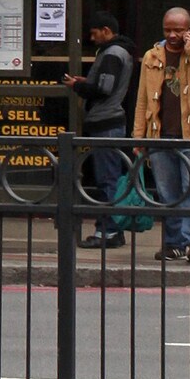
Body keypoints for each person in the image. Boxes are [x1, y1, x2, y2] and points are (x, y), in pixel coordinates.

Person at [133, 4, 190, 265]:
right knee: (167, 193)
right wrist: (138, 137)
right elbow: (142, 99)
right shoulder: (152, 56)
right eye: (167, 30)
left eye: (178, 30)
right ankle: (174, 245)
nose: (172, 35)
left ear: (189, 30)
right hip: (160, 134)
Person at [63, 13, 138, 248]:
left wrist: (78, 86)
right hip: (109, 122)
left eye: (95, 33)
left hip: (106, 123)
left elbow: (104, 89)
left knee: (108, 180)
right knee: (110, 177)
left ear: (106, 30)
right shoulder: (117, 52)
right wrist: (86, 81)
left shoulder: (112, 54)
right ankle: (111, 230)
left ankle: (108, 232)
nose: (92, 38)